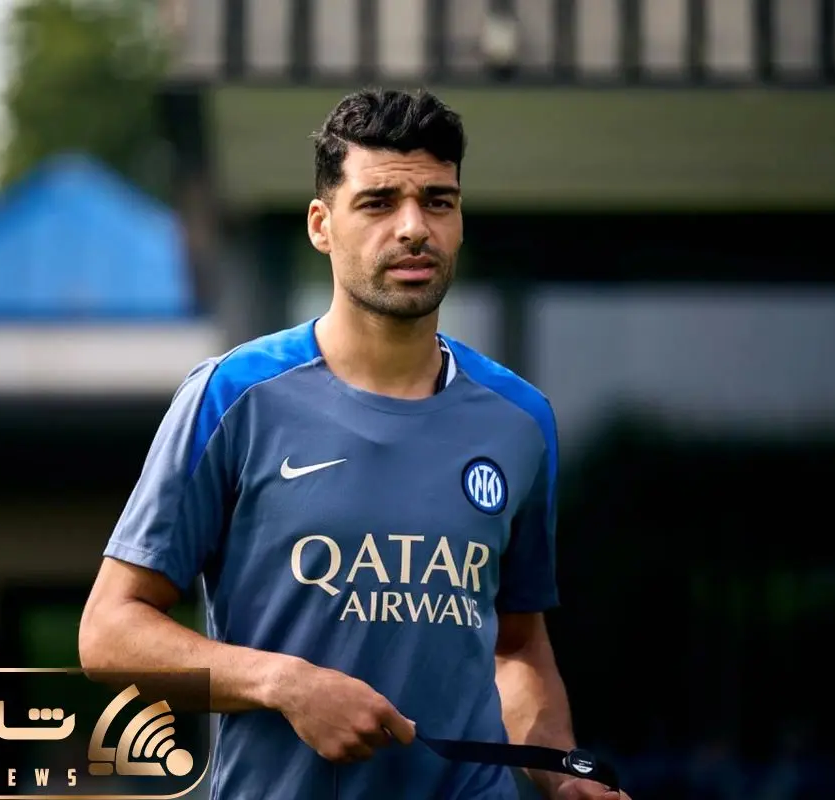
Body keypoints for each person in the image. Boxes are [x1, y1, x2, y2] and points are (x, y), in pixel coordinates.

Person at [78, 87, 629, 800]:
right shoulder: (231, 396)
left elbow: (517, 647)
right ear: (322, 225)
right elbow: (109, 632)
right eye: (378, 203)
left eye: (438, 201)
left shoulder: (520, 419)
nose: (413, 228)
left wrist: (558, 774)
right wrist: (283, 683)